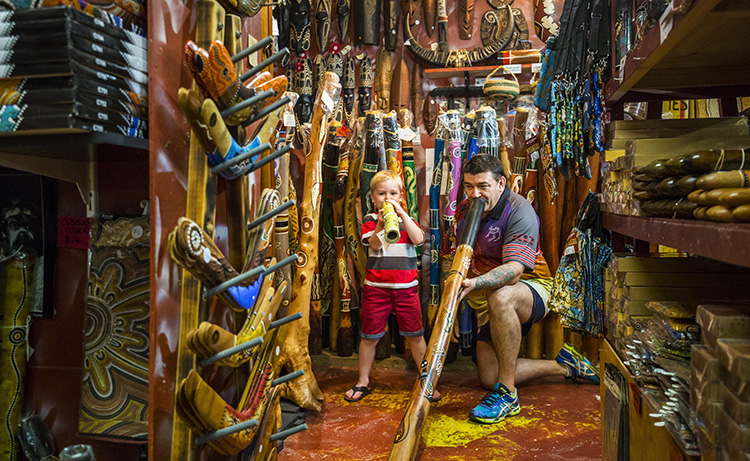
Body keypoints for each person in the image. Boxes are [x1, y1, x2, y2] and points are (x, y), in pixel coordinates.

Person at [446, 155, 599, 424]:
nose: (474, 193)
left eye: (482, 186)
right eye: (469, 187)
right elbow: (455, 261)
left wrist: (476, 284)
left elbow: (515, 271)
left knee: (502, 296)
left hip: (532, 288)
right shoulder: (463, 210)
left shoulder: (519, 211)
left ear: (501, 183)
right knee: (488, 377)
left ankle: (508, 395)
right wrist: (456, 306)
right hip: (483, 297)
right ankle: (565, 366)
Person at [344, 170, 440, 403]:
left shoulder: (408, 220)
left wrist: (402, 216)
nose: (387, 198)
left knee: (416, 335)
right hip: (377, 288)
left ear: (401, 197)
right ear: (373, 197)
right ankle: (363, 381)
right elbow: (375, 245)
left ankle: (426, 381)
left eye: (393, 193)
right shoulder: (369, 220)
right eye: (382, 194)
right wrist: (380, 223)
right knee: (369, 336)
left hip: (406, 289)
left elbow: (418, 240)